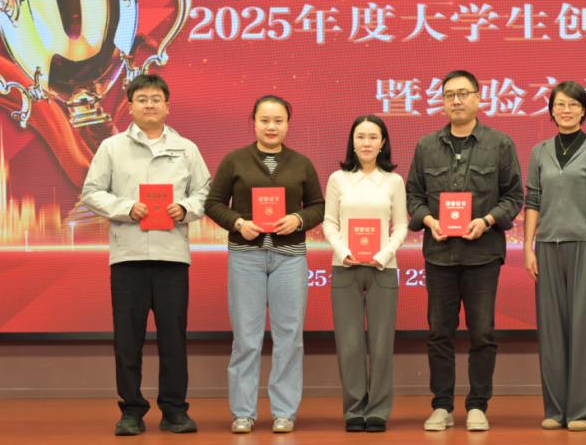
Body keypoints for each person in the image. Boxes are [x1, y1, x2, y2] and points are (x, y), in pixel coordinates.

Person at [81, 73, 211, 436]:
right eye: (142, 99)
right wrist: (126, 208)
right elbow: (92, 191)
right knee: (128, 339)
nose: (149, 105)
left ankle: (175, 410)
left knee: (173, 338)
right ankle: (131, 411)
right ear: (130, 106)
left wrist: (185, 209)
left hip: (172, 258)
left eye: (156, 99)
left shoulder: (187, 148)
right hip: (128, 256)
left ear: (167, 106)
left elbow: (204, 191)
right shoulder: (111, 147)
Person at [406, 70, 524, 432]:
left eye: (463, 93)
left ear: (477, 98)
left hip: (482, 254)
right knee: (439, 332)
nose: (456, 101)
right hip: (439, 254)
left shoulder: (500, 144)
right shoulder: (426, 146)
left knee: (482, 332)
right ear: (442, 101)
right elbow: (413, 197)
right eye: (449, 95)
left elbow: (514, 196)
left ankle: (477, 405)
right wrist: (429, 220)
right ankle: (441, 405)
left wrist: (487, 220)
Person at [205, 95, 325, 434]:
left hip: (290, 258)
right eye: (264, 120)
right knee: (246, 337)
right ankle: (243, 412)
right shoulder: (235, 160)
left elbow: (318, 206)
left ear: (288, 124)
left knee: (289, 336)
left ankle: (284, 411)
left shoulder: (301, 163)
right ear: (254, 122)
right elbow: (213, 203)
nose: (271, 127)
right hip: (246, 257)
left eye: (278, 121)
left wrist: (298, 219)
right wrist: (238, 223)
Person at [522, 80, 586, 432]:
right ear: (551, 110)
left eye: (573, 104)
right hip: (547, 247)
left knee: (584, 329)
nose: (566, 110)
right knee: (551, 331)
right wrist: (528, 248)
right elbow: (533, 201)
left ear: (584, 110)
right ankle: (555, 409)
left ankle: (583, 412)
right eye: (560, 104)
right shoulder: (539, 152)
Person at [323, 115, 408, 433]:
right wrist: (342, 250)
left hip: (383, 268)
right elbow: (329, 222)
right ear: (352, 141)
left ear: (383, 142)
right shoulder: (338, 179)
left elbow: (401, 225)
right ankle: (354, 409)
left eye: (373, 137)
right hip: (345, 266)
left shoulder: (394, 181)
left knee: (382, 343)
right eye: (360, 137)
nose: (367, 143)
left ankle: (379, 410)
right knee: (349, 343)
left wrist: (384, 254)